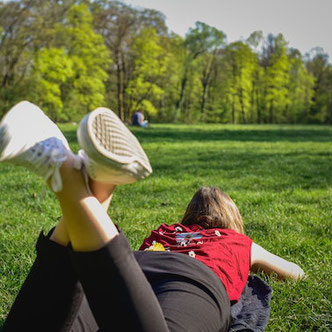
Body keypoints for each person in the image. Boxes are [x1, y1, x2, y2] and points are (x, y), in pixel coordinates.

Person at [0, 101, 305, 332]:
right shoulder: (238, 241)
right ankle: (75, 178)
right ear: (232, 219)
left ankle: (93, 187)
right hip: (193, 279)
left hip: (132, 266)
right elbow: (294, 272)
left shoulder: (167, 230)